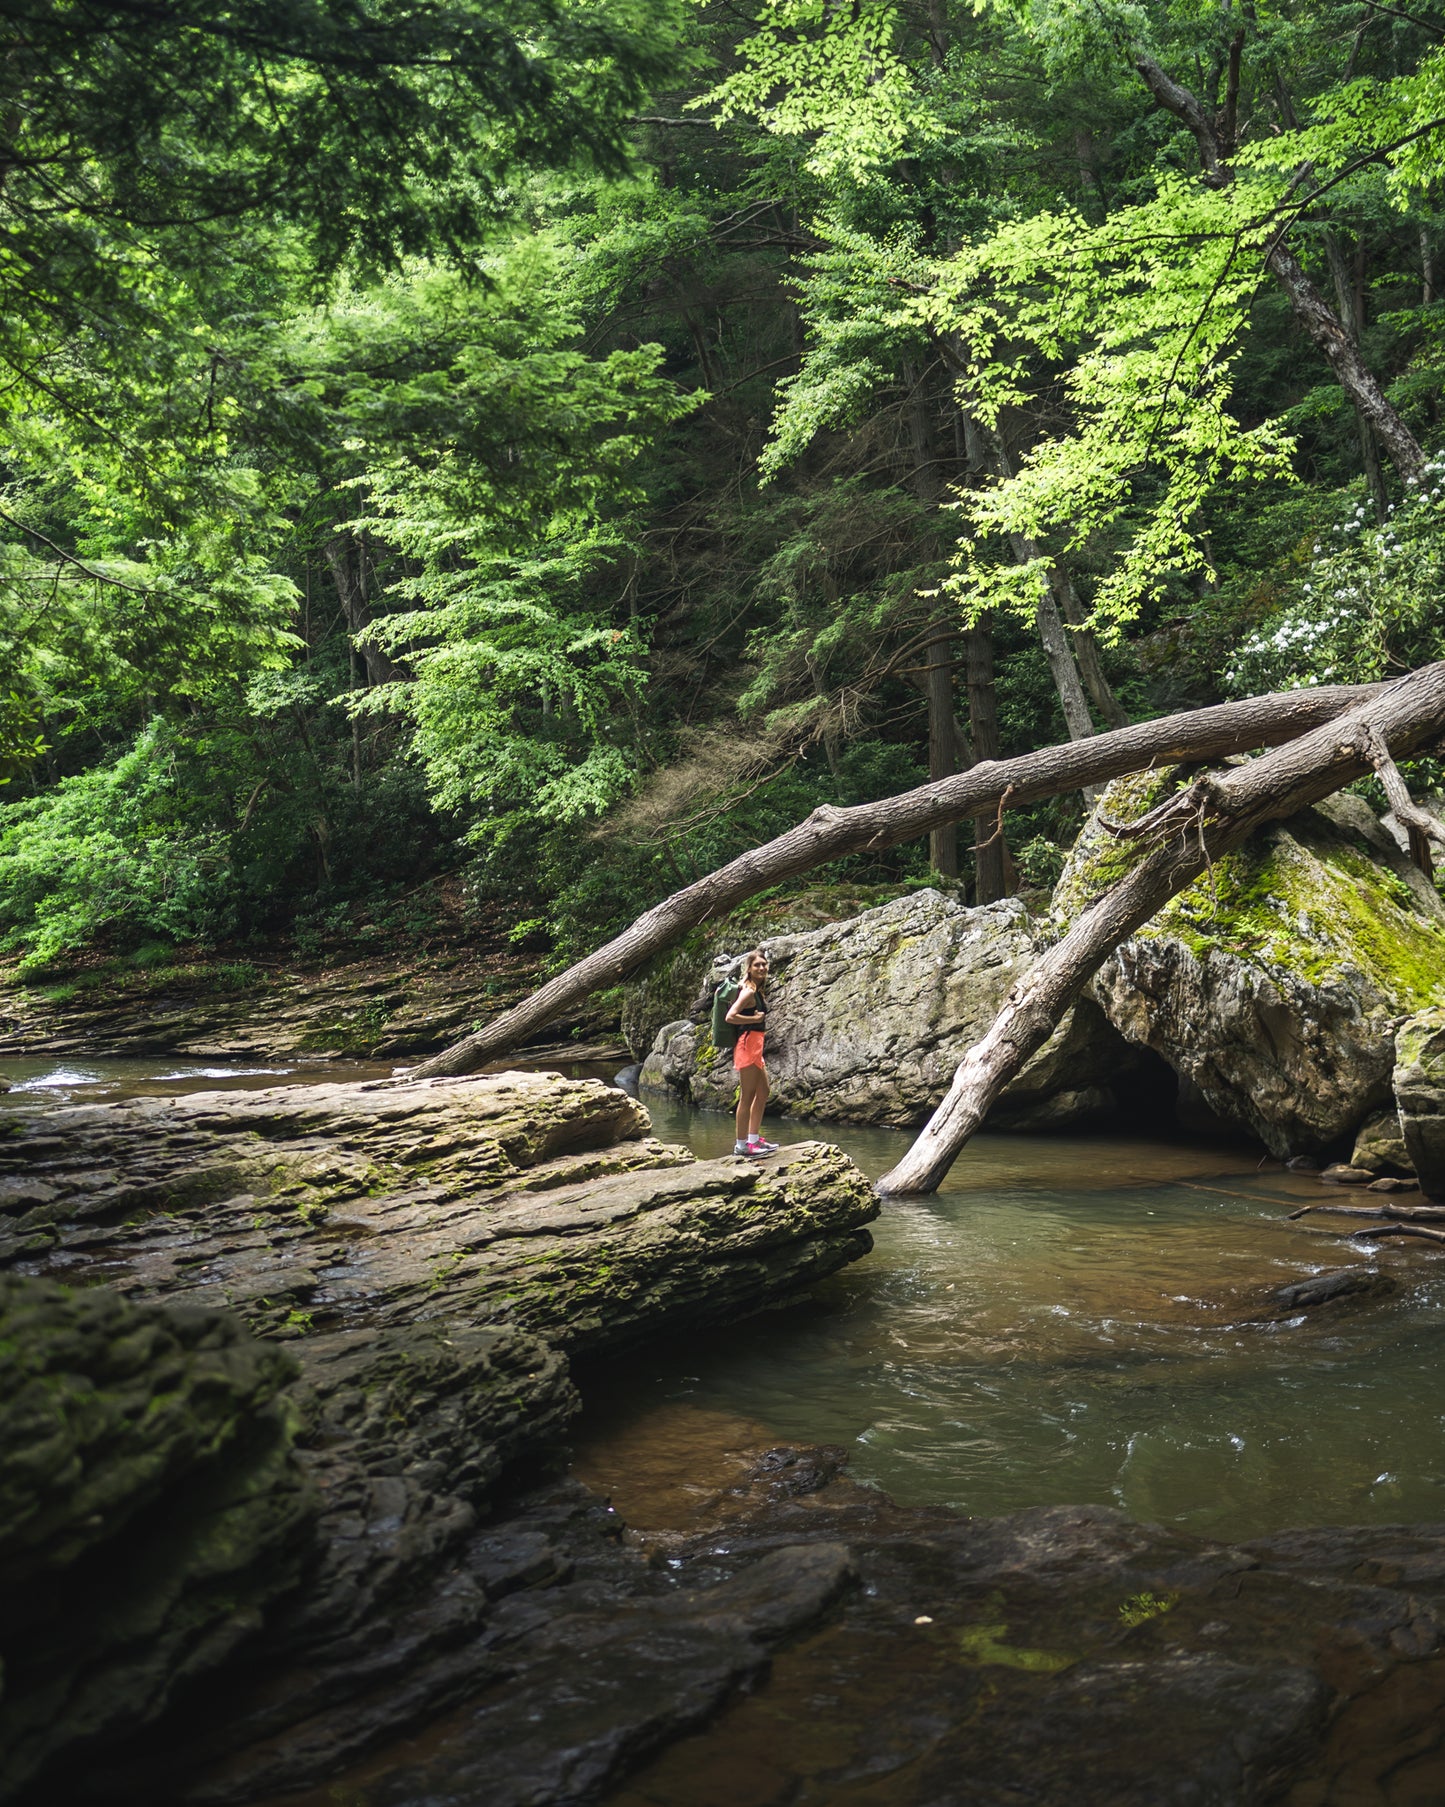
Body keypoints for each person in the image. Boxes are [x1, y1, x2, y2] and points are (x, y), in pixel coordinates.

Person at [726, 949, 778, 1157]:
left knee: (763, 1091)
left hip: (755, 1046)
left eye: (764, 964)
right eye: (757, 965)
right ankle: (741, 1146)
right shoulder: (747, 990)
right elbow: (730, 1017)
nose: (762, 968)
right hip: (747, 1045)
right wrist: (754, 1020)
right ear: (749, 968)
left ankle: (754, 1139)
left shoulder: (755, 988)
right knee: (747, 1096)